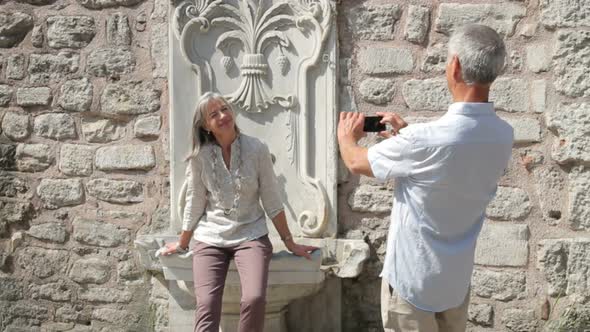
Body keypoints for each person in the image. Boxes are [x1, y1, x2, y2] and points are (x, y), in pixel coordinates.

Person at [337, 24, 514, 332]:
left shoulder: (424, 140)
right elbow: (451, 163)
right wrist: (406, 135)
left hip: (413, 284)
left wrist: (345, 136)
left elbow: (355, 162)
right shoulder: (503, 134)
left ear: (455, 66)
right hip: (455, 281)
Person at [159, 92, 317, 332]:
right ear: (205, 125)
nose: (223, 116)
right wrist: (183, 242)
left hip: (251, 235)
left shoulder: (257, 148)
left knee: (254, 298)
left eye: (225, 109)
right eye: (214, 114)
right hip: (210, 238)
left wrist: (290, 242)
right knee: (207, 304)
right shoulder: (200, 156)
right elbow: (195, 201)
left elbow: (272, 199)